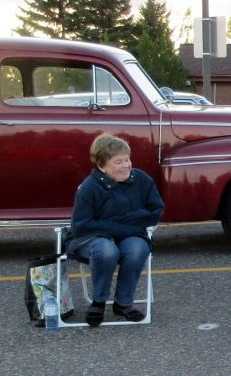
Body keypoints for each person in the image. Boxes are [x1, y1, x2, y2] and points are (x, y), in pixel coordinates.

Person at [66, 134, 164, 326]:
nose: (126, 165)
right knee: (107, 250)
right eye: (118, 161)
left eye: (127, 159)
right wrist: (122, 226)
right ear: (102, 166)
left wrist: (119, 220)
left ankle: (123, 304)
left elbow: (155, 212)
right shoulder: (89, 187)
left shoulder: (142, 180)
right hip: (91, 239)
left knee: (137, 249)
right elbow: (81, 225)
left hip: (130, 235)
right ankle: (99, 302)